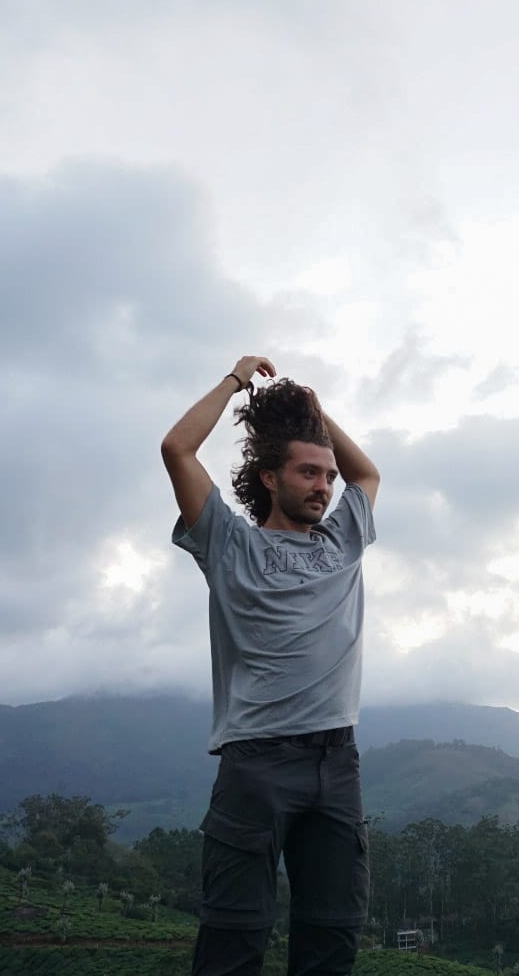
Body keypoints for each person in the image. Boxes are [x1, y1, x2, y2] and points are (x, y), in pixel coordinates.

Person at [161, 355, 381, 976]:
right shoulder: (229, 543)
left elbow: (367, 472)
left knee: (332, 938)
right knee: (234, 939)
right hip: (257, 764)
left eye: (328, 477)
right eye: (308, 472)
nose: (324, 486)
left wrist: (316, 412)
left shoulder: (343, 540)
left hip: (337, 762)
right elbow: (177, 448)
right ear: (268, 477)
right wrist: (234, 381)